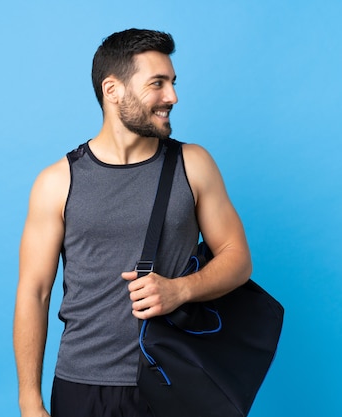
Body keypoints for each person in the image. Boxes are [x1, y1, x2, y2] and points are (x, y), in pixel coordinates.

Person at [13, 28, 252, 417]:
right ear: (113, 90)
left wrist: (181, 290)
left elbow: (238, 257)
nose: (172, 96)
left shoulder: (193, 164)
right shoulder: (57, 182)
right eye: (157, 83)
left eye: (172, 83)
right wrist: (29, 399)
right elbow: (34, 292)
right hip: (81, 386)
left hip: (172, 380)